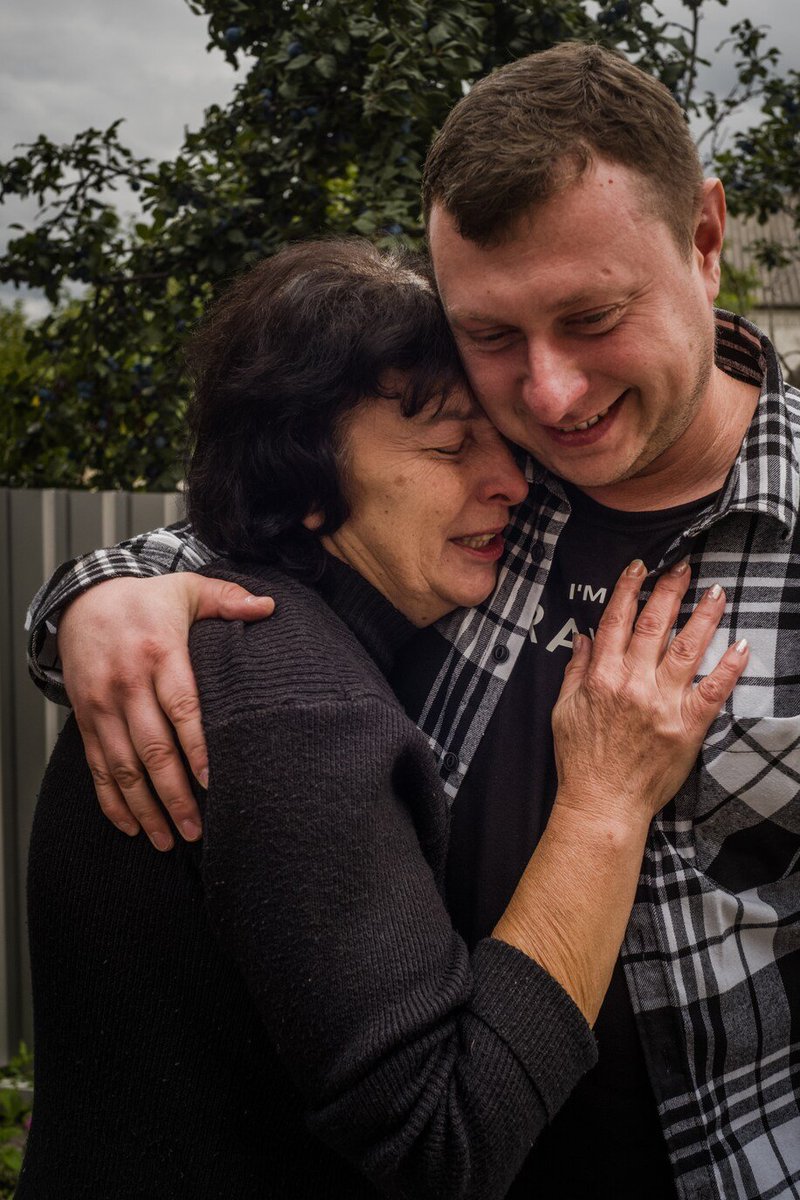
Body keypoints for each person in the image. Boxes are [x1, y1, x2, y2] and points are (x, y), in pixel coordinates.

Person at [25, 42, 800, 1200]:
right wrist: (98, 595)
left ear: (702, 237)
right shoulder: (491, 486)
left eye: (590, 316)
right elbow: (279, 530)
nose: (547, 396)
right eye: (489, 334)